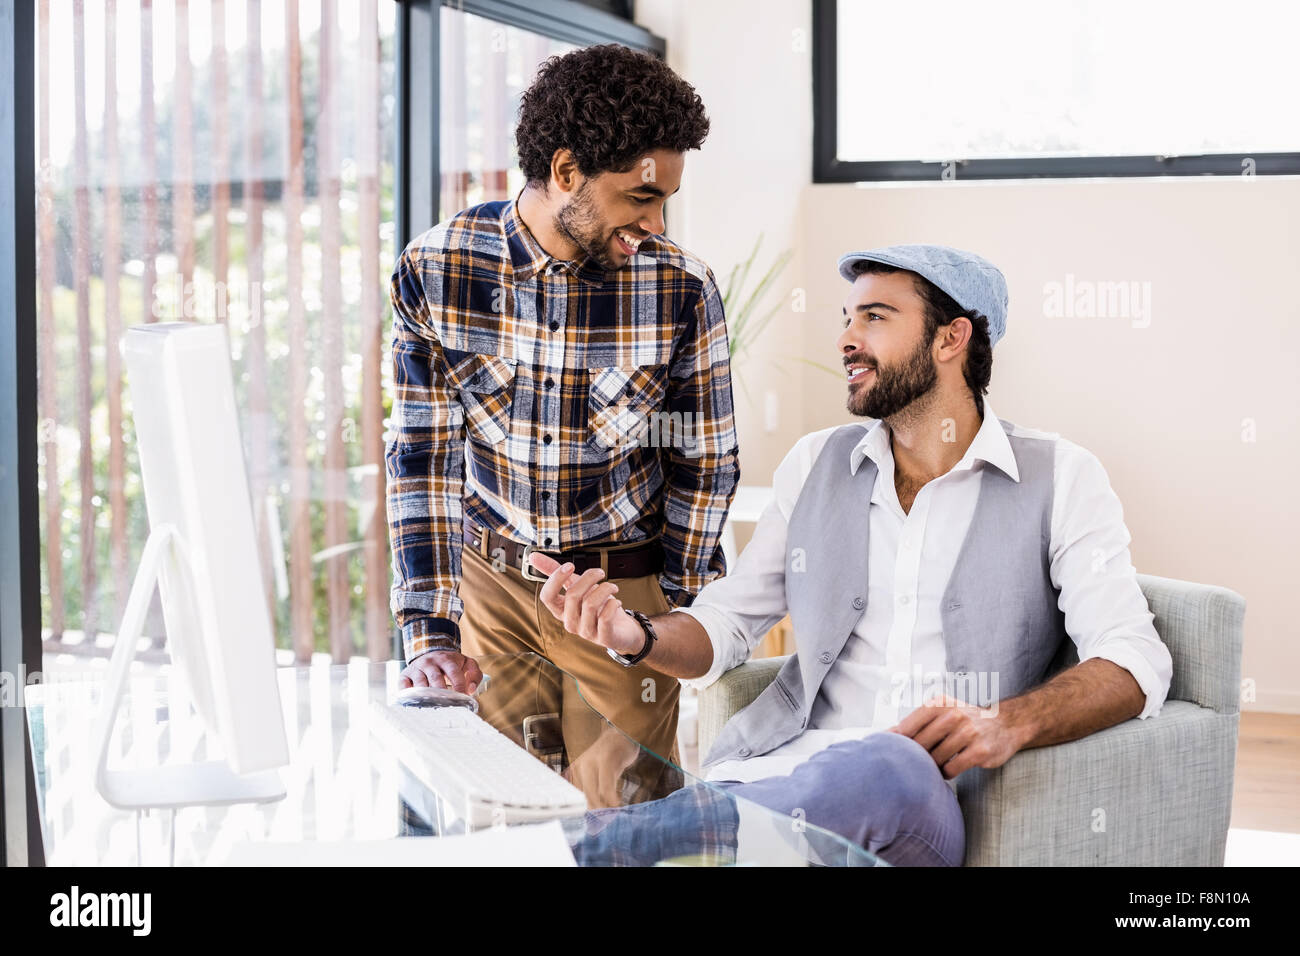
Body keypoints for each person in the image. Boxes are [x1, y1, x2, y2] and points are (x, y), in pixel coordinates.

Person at [528, 243, 1174, 865]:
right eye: (847, 318)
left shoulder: (1060, 476)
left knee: (885, 762)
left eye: (875, 317)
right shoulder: (817, 462)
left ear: (951, 339)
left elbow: (1132, 656)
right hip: (774, 776)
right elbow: (727, 625)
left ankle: (580, 849)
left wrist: (1009, 721)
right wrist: (632, 634)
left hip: (919, 796)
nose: (845, 339)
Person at [384, 44, 740, 803]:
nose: (653, 222)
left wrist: (668, 620)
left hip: (619, 594)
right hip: (492, 583)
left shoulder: (680, 288)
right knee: (507, 819)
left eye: (664, 202)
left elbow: (705, 464)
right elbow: (421, 460)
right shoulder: (437, 269)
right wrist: (429, 630)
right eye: (638, 199)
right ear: (568, 170)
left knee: (628, 831)